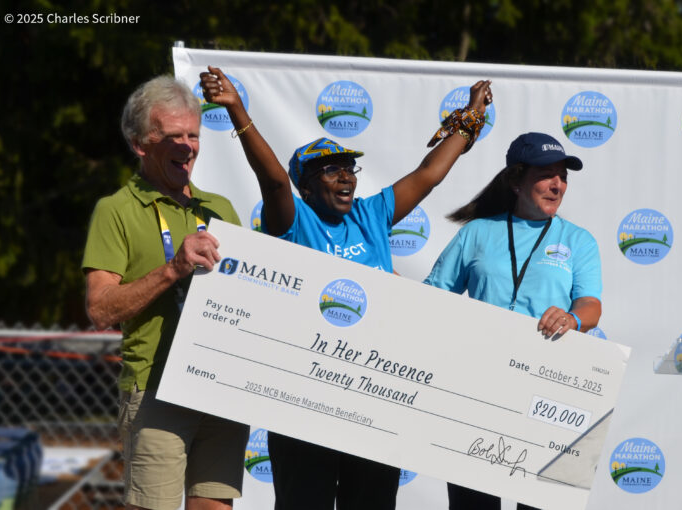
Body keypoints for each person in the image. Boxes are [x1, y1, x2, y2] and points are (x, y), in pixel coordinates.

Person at [199, 66, 491, 510]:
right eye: (330, 171)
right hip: (303, 403)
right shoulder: (294, 223)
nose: (346, 177)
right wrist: (238, 110)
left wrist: (471, 117)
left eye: (349, 168)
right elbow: (275, 180)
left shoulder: (370, 216)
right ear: (307, 185)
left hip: (373, 403)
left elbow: (430, 173)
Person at [83, 76, 248, 510]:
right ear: (141, 144)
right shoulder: (116, 209)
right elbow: (100, 309)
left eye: (193, 134)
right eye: (173, 136)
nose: (187, 146)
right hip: (156, 390)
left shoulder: (220, 209)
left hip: (220, 386)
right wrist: (173, 269)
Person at [424, 132, 602, 509]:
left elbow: (590, 305)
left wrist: (571, 318)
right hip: (479, 391)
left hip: (548, 395)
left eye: (563, 176)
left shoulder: (579, 240)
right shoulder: (476, 232)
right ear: (515, 179)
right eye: (547, 174)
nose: (558, 185)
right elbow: (433, 298)